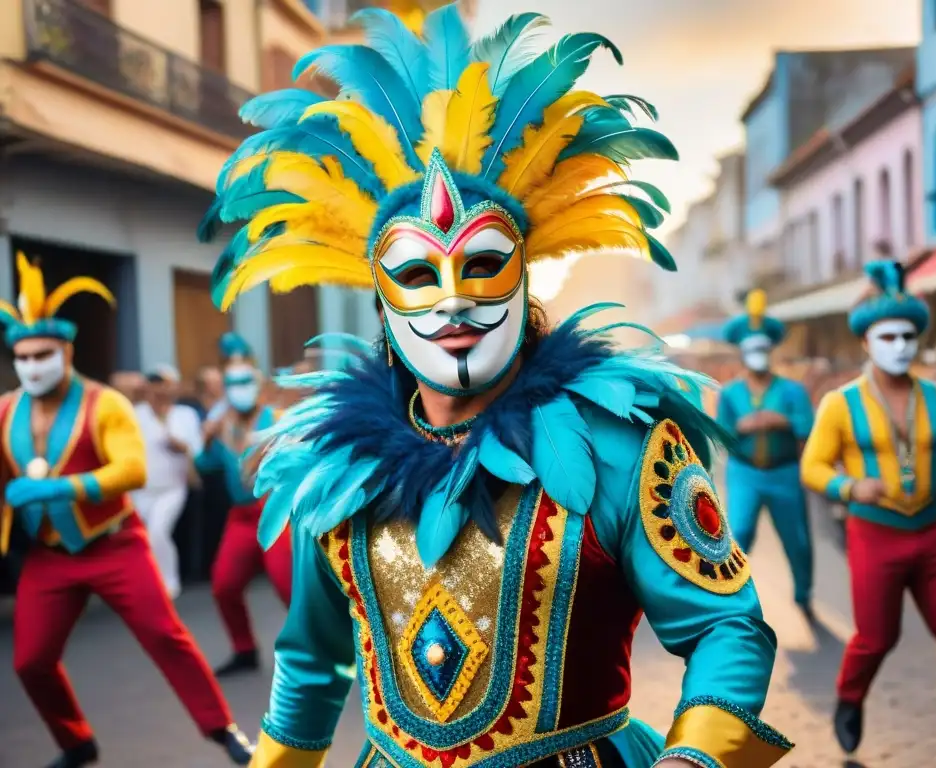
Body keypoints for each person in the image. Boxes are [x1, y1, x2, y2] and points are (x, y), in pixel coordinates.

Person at [200, 7, 793, 767]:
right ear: (381, 299)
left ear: (525, 277)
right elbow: (313, 666)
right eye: (416, 275)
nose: (452, 301)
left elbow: (722, 625)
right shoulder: (333, 472)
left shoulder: (621, 443)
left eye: (481, 265)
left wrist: (693, 758)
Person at [0, 254, 252, 767]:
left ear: (65, 351)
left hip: (114, 543)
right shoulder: (5, 410)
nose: (31, 365)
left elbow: (131, 470)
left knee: (165, 636)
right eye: (21, 356)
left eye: (42, 353)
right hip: (50, 556)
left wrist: (61, 490)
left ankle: (222, 729)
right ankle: (76, 742)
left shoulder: (104, 402)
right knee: (30, 661)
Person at [801, 260, 936, 768]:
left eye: (907, 335)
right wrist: (850, 485)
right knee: (876, 637)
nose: (899, 345)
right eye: (887, 335)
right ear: (867, 343)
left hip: (935, 530)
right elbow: (812, 465)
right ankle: (850, 695)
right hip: (875, 534)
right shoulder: (839, 403)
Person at [194, 332, 289, 676]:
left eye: (245, 379)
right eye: (232, 381)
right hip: (240, 515)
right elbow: (206, 468)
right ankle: (244, 649)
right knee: (224, 584)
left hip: (274, 511)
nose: (239, 387)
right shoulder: (221, 423)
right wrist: (205, 443)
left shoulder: (277, 419)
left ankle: (322, 650)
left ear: (258, 380)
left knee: (287, 586)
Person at [717, 289, 814, 613]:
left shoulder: (792, 390)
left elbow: (807, 427)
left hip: (785, 471)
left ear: (770, 350)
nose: (757, 353)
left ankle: (803, 593)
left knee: (797, 540)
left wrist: (780, 420)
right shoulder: (730, 394)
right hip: (744, 472)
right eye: (750, 348)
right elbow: (721, 434)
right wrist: (740, 428)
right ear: (741, 352)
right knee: (739, 532)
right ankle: (731, 596)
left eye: (762, 347)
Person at [131, 365, 204, 598]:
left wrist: (181, 447)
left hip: (173, 487)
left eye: (164, 384)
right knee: (141, 539)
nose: (159, 389)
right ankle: (147, 582)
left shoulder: (185, 415)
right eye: (155, 383)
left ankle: (169, 582)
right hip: (141, 490)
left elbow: (197, 447)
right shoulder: (135, 413)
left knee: (158, 532)